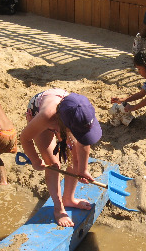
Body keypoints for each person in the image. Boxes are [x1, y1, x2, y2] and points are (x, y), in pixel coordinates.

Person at [20, 90, 102, 227]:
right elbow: (25, 138)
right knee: (53, 164)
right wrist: (35, 160)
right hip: (40, 114)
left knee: (75, 160)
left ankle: (69, 199)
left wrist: (83, 169)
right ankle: (58, 208)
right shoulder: (47, 117)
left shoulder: (82, 114)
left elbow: (84, 142)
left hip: (65, 116)